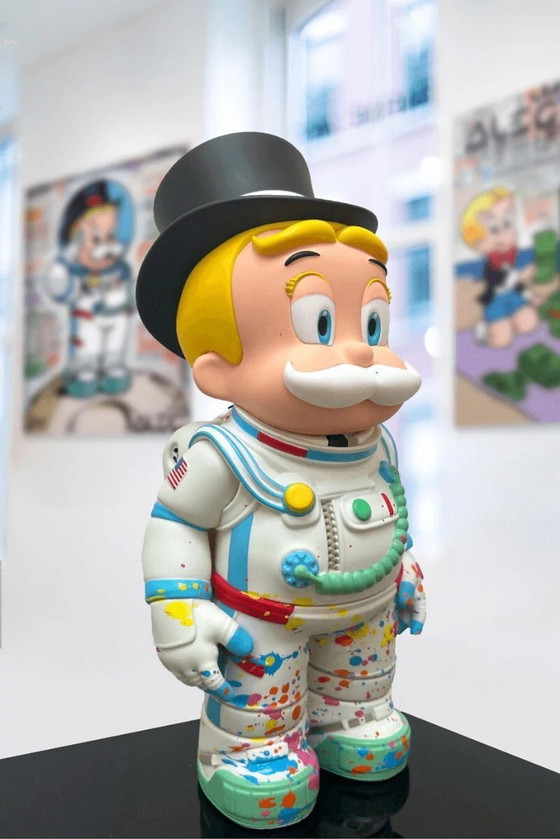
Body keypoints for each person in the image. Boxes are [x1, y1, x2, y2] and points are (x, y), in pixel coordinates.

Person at [137, 133, 426, 830]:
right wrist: (178, 610)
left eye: (373, 322)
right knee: (260, 705)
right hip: (261, 623)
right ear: (216, 367)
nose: (361, 350)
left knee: (361, 688)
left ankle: (350, 718)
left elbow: (389, 510)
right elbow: (175, 523)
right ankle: (247, 749)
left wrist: (405, 566)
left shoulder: (377, 442)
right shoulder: (223, 452)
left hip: (366, 615)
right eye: (318, 323)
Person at [44, 179, 133, 396]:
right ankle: (84, 375)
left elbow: (133, 290)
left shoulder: (120, 269)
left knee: (115, 344)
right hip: (88, 318)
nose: (106, 247)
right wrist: (65, 261)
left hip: (118, 317)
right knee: (88, 345)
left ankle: (114, 370)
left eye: (110, 236)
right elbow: (58, 287)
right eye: (95, 239)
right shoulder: (75, 272)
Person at [459, 186, 538, 347]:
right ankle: (485, 330)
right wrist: (520, 276)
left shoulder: (514, 255)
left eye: (507, 225)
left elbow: (516, 283)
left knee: (529, 323)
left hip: (514, 296)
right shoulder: (490, 262)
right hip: (495, 301)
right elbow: (497, 278)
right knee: (502, 339)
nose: (505, 234)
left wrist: (527, 294)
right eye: (494, 230)